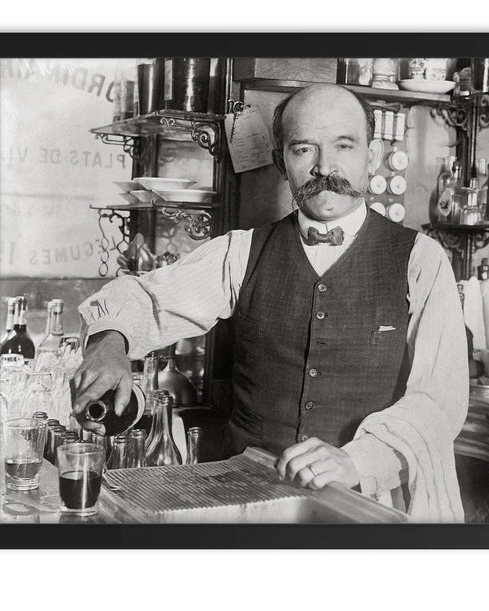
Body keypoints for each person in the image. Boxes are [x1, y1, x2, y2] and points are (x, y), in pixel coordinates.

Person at [74, 83, 468, 522]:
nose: (325, 166)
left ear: (371, 157)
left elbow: (438, 400)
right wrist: (110, 340)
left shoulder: (420, 259)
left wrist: (357, 460)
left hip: (362, 505)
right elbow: (146, 298)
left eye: (344, 145)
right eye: (304, 149)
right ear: (282, 161)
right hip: (246, 499)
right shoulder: (241, 252)